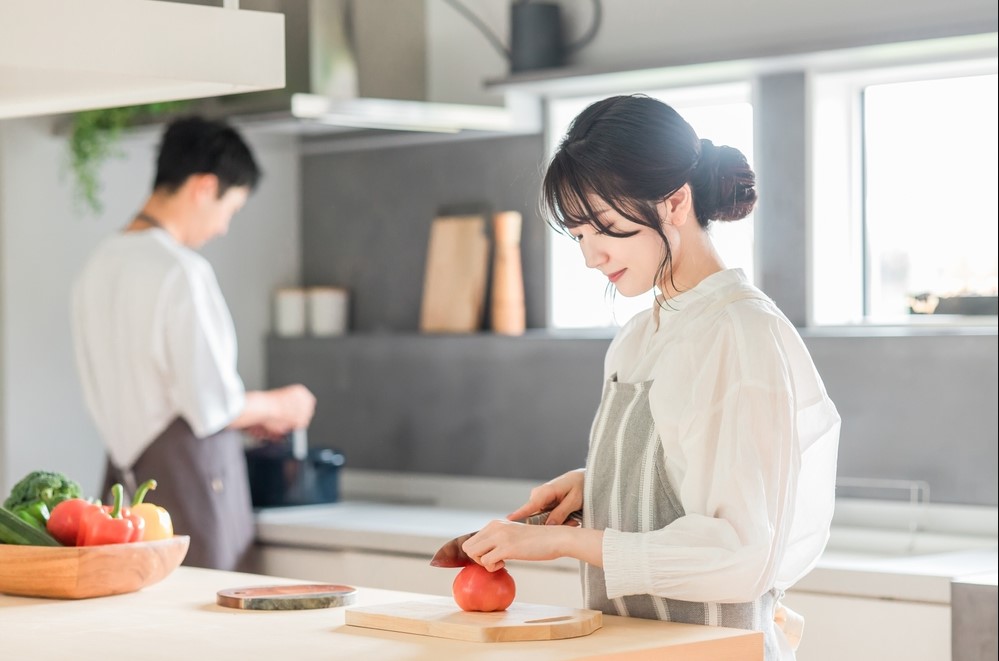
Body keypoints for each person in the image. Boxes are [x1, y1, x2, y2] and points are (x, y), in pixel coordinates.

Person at [460, 95, 840, 660]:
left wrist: (561, 540)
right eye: (579, 235)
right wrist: (605, 481)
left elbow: (739, 554)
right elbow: (694, 467)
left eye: (606, 228)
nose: (592, 257)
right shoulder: (640, 336)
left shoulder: (740, 332)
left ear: (675, 203)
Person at [71, 116, 316, 571]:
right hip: (189, 494)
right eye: (231, 209)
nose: (224, 227)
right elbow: (211, 406)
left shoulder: (97, 266)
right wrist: (278, 405)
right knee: (209, 628)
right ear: (205, 187)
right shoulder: (180, 271)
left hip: (120, 492)